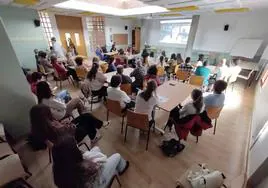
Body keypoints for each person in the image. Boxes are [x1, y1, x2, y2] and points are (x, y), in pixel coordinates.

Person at [52, 136, 129, 188]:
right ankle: (122, 167)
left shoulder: (59, 168)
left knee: (96, 148)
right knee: (117, 156)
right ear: (73, 153)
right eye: (76, 147)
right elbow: (97, 168)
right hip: (97, 183)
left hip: (85, 181)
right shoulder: (82, 169)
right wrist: (96, 162)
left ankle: (116, 167)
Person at [29, 105, 102, 150]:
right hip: (71, 137)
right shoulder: (47, 130)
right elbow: (59, 147)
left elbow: (59, 126)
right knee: (87, 122)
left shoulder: (40, 125)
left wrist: (63, 124)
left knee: (86, 116)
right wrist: (70, 129)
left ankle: (99, 125)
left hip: (66, 129)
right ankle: (94, 134)